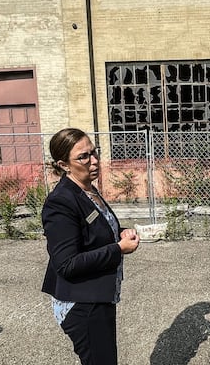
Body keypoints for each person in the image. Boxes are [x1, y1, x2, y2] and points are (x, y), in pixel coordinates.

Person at [41, 128, 140, 365]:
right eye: (83, 157)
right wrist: (118, 249)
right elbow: (66, 263)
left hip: (98, 295)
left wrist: (119, 232)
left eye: (94, 153)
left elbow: (92, 232)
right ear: (64, 165)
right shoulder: (60, 201)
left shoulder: (87, 190)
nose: (94, 161)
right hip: (82, 304)